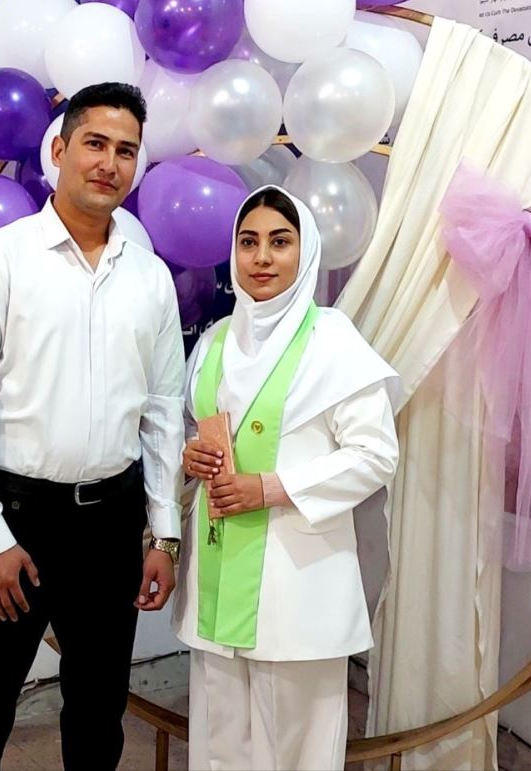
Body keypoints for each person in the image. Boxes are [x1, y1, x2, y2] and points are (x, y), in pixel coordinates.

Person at [0, 82, 185, 771]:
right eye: (94, 144)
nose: (109, 162)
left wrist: (164, 533)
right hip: (19, 520)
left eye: (126, 150)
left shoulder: (150, 277)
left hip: (112, 523)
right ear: (60, 149)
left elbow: (164, 411)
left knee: (99, 710)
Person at [172, 186, 403, 771]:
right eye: (248, 242)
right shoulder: (215, 341)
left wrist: (271, 487)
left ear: (306, 251)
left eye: (280, 242)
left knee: (296, 752)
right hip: (217, 576)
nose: (262, 258)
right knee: (219, 748)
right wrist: (189, 457)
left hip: (296, 587)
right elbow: (190, 429)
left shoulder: (333, 341)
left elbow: (375, 454)